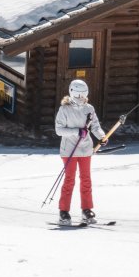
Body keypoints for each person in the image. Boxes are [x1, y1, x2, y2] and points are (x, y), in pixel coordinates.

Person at [55, 79, 107, 225]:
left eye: (83, 95)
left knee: (86, 179)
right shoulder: (64, 109)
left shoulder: (89, 108)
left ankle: (86, 210)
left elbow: (95, 126)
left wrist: (102, 137)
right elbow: (59, 130)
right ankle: (64, 211)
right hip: (69, 150)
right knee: (69, 180)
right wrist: (77, 131)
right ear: (72, 93)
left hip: (85, 149)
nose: (80, 98)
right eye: (78, 95)